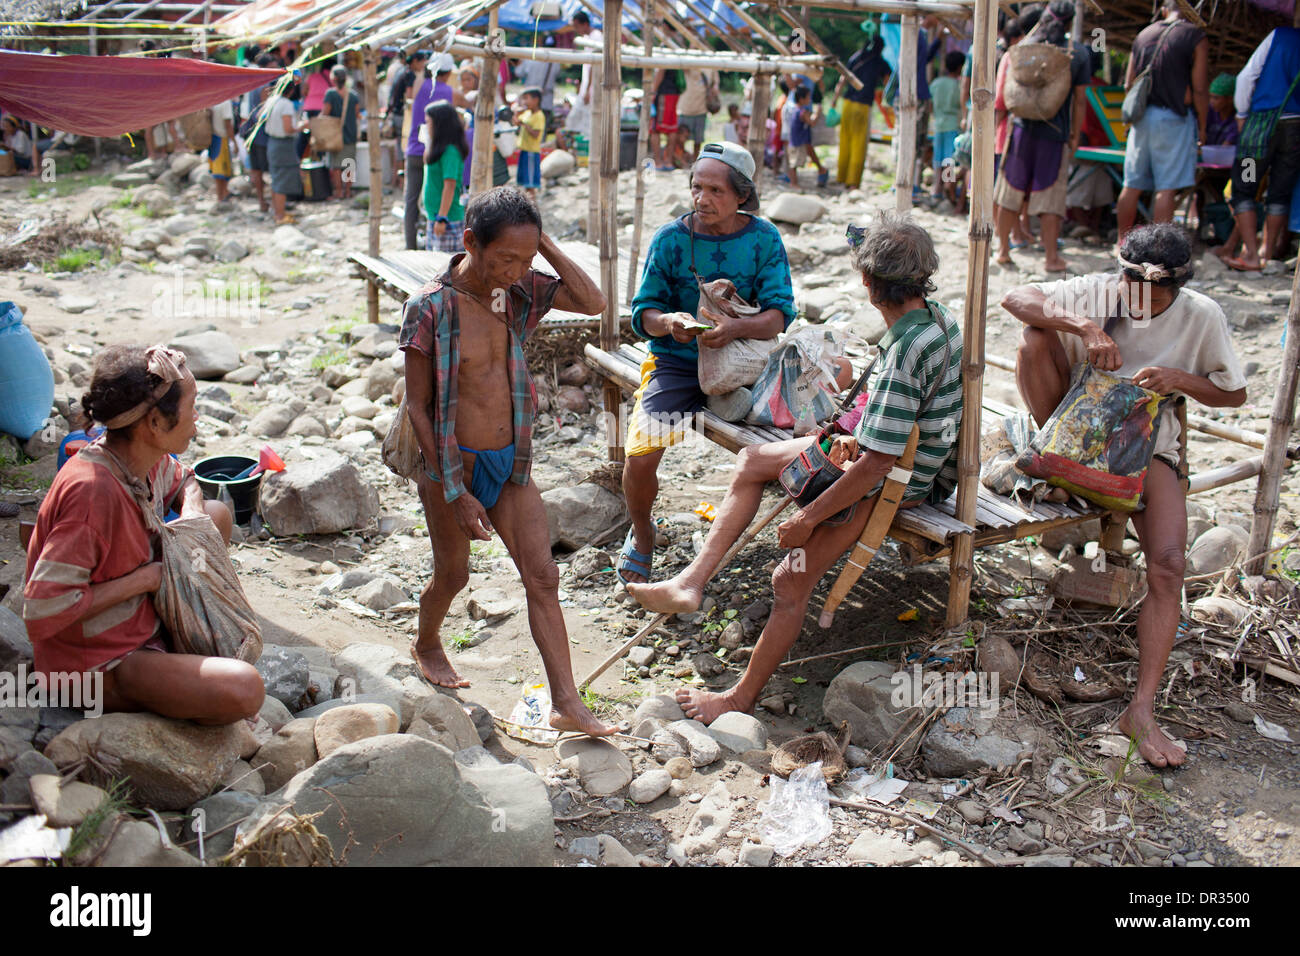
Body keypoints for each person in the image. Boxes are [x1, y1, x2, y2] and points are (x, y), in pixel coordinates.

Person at [629, 212, 963, 724]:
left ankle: (738, 698)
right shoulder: (938, 318)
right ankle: (691, 583)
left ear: (870, 286)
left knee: (790, 582)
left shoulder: (904, 355)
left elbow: (876, 465)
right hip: (880, 452)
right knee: (754, 458)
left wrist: (807, 519)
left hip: (893, 482)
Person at [1004, 224, 1246, 767]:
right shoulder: (1100, 291)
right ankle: (1059, 465)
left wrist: (1180, 378)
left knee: (1168, 566)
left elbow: (1234, 393)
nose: (1142, 307)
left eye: (1156, 301)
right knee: (1034, 336)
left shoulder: (1200, 315)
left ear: (1179, 290)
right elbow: (1015, 297)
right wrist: (1086, 327)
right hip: (1073, 433)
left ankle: (1141, 709)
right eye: (1134, 295)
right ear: (1120, 277)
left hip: (1146, 446)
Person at [399, 187, 617, 736]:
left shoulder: (517, 289)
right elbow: (418, 408)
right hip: (452, 465)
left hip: (510, 461)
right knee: (453, 574)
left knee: (543, 576)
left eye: (526, 259)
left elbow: (593, 302)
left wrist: (539, 242)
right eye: (504, 258)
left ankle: (567, 703)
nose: (515, 270)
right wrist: (454, 488)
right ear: (469, 242)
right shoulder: (430, 307)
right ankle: (426, 641)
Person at [22, 346, 263, 725]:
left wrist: (193, 515)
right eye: (192, 406)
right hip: (95, 663)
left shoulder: (136, 459)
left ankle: (174, 648)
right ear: (153, 423)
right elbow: (41, 612)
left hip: (141, 612)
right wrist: (147, 579)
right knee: (244, 688)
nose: (197, 418)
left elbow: (184, 477)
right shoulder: (93, 493)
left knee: (214, 516)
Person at [619, 142, 795, 585]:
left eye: (715, 190)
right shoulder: (671, 240)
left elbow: (779, 313)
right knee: (640, 457)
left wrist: (734, 330)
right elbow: (643, 313)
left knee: (801, 438)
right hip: (677, 363)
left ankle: (796, 548)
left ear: (741, 195)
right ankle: (642, 535)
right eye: (697, 187)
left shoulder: (763, 238)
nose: (702, 198)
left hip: (745, 363)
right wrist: (670, 323)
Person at [993, 1, 1089, 272]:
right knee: (1050, 196)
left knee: (1010, 191)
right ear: (1070, 22)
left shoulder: (1023, 48)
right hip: (1054, 134)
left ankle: (1002, 251)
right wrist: (1075, 134)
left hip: (1021, 130)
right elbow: (1080, 101)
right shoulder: (1077, 54)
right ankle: (1050, 258)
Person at [1115, 1, 1208, 243]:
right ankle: (1159, 250)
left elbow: (1129, 84)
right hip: (1173, 119)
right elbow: (1199, 88)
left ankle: (1121, 243)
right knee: (1165, 188)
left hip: (1142, 118)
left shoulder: (1144, 34)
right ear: (1192, 12)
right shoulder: (1195, 36)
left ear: (1165, 10)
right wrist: (1204, 127)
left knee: (1131, 185)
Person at [1227, 25, 1300, 271]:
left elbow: (1246, 77)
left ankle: (1250, 255)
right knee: (1280, 191)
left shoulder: (1280, 36)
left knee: (1245, 187)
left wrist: (1241, 113)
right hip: (1295, 131)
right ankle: (1267, 254)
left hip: (1260, 128)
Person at [405, 52, 455, 251]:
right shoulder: (450, 92)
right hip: (436, 153)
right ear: (449, 72)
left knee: (411, 200)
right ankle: (432, 240)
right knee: (436, 197)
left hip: (414, 149)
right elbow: (470, 102)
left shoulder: (419, 86)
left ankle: (410, 246)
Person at [833, 18, 889, 190]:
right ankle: (853, 182)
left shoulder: (855, 57)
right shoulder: (880, 62)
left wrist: (834, 101)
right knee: (859, 144)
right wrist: (886, 99)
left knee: (845, 141)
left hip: (848, 103)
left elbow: (842, 80)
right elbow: (888, 82)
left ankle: (841, 178)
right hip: (863, 105)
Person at [423, 101, 469, 252]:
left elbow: (449, 186)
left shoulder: (450, 152)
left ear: (439, 125)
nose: (426, 126)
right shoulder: (439, 150)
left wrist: (442, 218)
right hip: (436, 216)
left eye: (428, 122)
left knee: (444, 267)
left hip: (447, 219)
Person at [266, 79, 306, 225]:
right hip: (283, 145)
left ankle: (277, 212)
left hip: (272, 142)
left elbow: (259, 117)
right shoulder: (286, 105)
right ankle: (280, 216)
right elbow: (288, 128)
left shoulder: (271, 101)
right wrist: (302, 126)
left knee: (276, 178)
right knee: (282, 180)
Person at [930, 50, 965, 203]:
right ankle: (947, 190)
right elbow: (962, 103)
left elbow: (930, 105)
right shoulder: (958, 86)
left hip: (938, 125)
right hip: (952, 125)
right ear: (959, 67)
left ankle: (936, 189)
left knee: (938, 160)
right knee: (948, 161)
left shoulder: (936, 83)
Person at [322, 65, 361, 201]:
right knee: (349, 164)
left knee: (337, 166)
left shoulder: (330, 94)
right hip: (350, 134)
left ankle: (338, 192)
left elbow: (325, 114)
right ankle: (348, 191)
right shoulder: (353, 95)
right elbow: (357, 114)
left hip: (336, 135)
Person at [564, 11, 602, 140]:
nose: (575, 29)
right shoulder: (587, 38)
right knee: (577, 122)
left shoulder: (596, 37)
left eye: (577, 26)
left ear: (584, 24)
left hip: (592, 87)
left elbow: (594, 65)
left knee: (587, 123)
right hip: (587, 86)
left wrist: (588, 89)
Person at [785, 86, 827, 186]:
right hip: (798, 142)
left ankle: (794, 183)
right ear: (801, 99)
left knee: (793, 164)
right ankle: (794, 184)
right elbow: (812, 123)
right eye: (808, 97)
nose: (810, 99)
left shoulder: (796, 109)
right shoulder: (802, 112)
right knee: (794, 164)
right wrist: (818, 113)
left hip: (796, 140)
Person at [676, 68, 716, 163]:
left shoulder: (712, 67)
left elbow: (714, 85)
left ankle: (695, 161)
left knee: (698, 139)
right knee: (680, 139)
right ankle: (680, 159)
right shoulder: (690, 64)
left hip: (701, 109)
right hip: (685, 109)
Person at [513, 87, 545, 201]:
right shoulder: (526, 113)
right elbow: (516, 122)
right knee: (525, 183)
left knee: (530, 185)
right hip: (524, 151)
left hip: (532, 153)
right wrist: (516, 114)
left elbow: (536, 134)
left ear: (536, 100)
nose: (525, 102)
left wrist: (524, 124)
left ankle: (533, 208)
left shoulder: (539, 115)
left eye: (527, 98)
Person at [516, 55, 560, 132]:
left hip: (530, 101)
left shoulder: (530, 57)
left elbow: (519, 72)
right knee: (542, 132)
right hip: (546, 101)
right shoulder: (555, 60)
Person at [652, 68, 682, 170]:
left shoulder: (664, 56)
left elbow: (661, 71)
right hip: (674, 93)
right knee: (672, 127)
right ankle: (668, 161)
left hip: (663, 94)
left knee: (655, 128)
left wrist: (652, 92)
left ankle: (658, 162)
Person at [208, 96, 235, 204]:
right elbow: (228, 125)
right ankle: (221, 196)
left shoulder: (213, 100)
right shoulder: (225, 102)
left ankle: (224, 193)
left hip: (213, 138)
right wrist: (235, 142)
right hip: (222, 138)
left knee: (218, 168)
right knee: (221, 169)